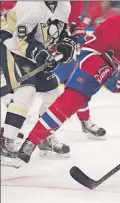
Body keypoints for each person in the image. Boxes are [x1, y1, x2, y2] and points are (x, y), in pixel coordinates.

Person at [12, 4, 120, 173]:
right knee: (70, 100)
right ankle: (32, 141)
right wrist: (105, 73)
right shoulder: (115, 25)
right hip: (100, 63)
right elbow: (88, 52)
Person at [0, 1, 77, 164]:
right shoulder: (30, 5)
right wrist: (40, 54)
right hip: (12, 47)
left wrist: (65, 43)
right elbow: (20, 40)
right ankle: (5, 142)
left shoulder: (64, 4)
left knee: (53, 95)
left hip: (37, 49)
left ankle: (45, 137)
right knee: (26, 91)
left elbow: (61, 29)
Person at [54, 1, 106, 140]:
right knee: (25, 92)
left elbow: (73, 21)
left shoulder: (76, 3)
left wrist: (79, 31)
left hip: (60, 51)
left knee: (76, 85)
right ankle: (11, 131)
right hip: (37, 48)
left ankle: (85, 120)